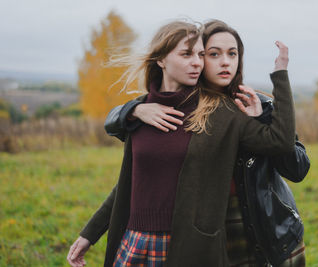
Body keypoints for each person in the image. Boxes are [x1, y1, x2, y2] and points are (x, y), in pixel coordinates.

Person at [67, 19, 296, 267]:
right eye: (186, 54)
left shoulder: (222, 113)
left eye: (200, 54)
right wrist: (90, 234)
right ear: (161, 60)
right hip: (133, 243)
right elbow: (129, 183)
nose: (197, 62)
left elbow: (280, 142)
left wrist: (280, 75)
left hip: (189, 249)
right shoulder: (141, 112)